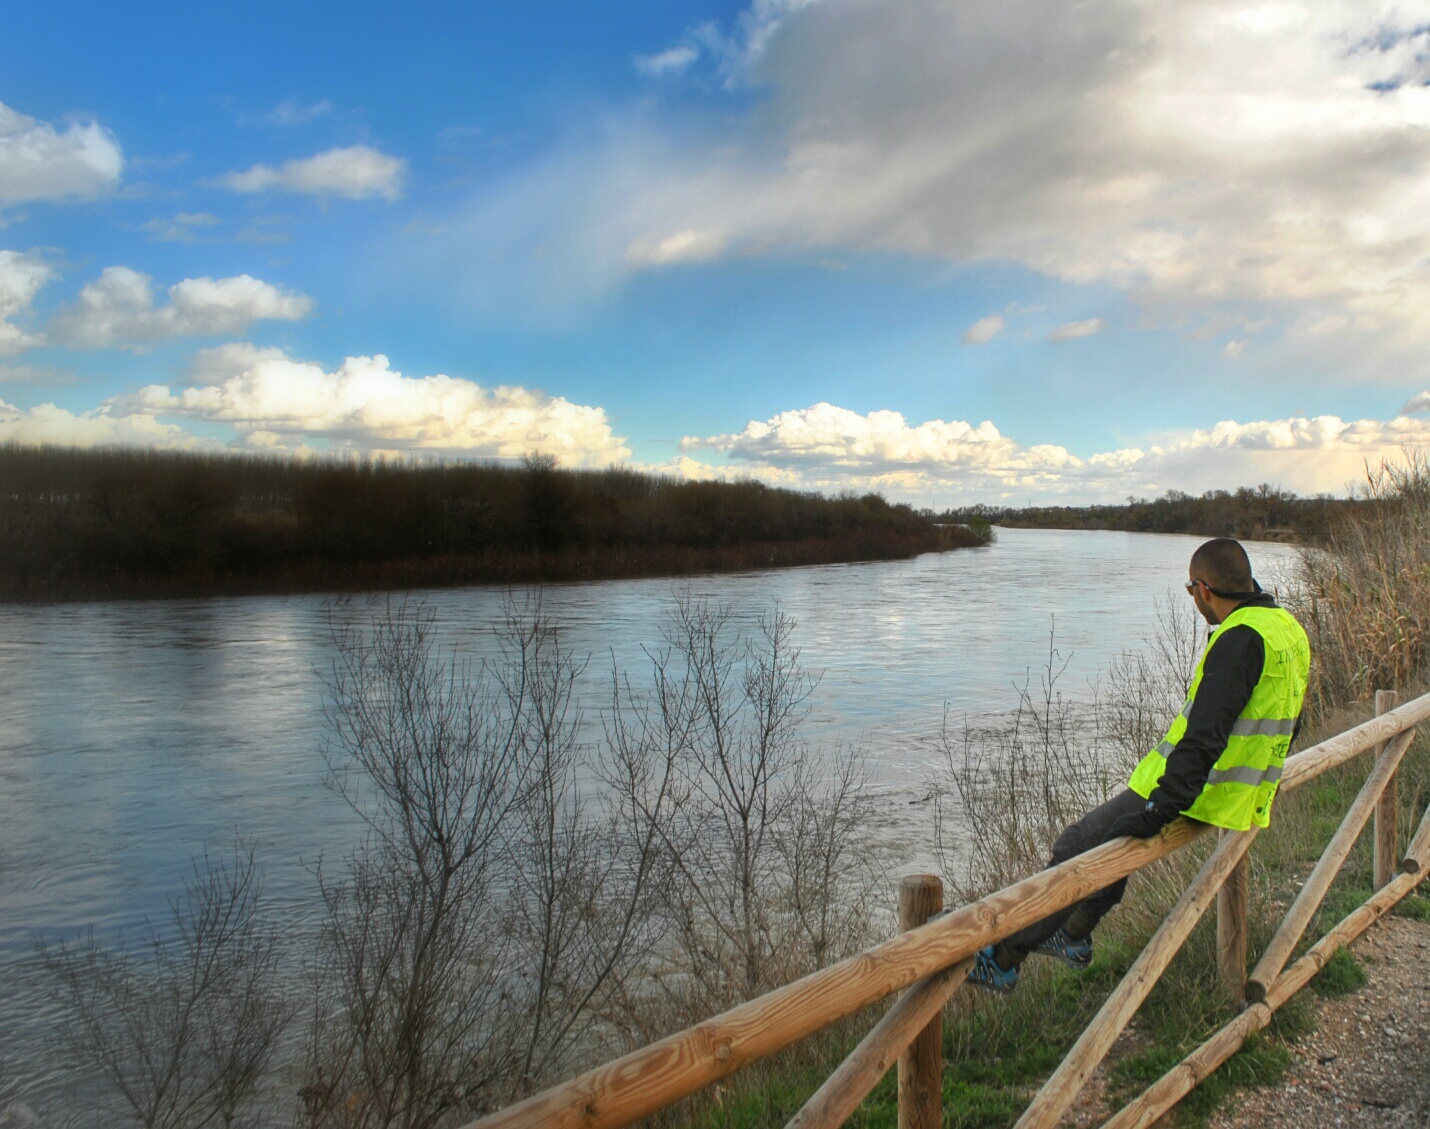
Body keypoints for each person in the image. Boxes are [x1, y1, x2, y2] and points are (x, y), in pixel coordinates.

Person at [968, 537, 1311, 993]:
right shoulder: (1285, 627)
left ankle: (1005, 961)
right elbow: (1294, 717)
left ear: (1202, 589)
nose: (1194, 600)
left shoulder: (1239, 639)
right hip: (1234, 791)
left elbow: (1202, 736)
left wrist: (1160, 810)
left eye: (1192, 592)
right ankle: (1071, 936)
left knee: (1078, 846)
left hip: (1199, 792)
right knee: (1102, 842)